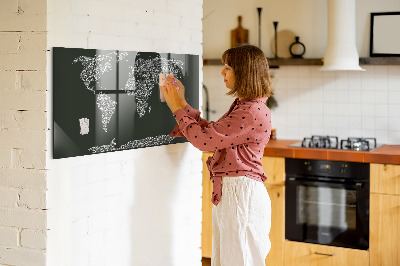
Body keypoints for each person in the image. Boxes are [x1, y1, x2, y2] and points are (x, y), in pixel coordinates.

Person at [161, 44, 273, 266]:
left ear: (244, 72)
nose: (222, 72)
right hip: (236, 193)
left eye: (228, 67)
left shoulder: (250, 111)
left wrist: (176, 108)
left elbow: (204, 141)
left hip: (241, 195)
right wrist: (182, 103)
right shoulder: (246, 106)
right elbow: (212, 133)